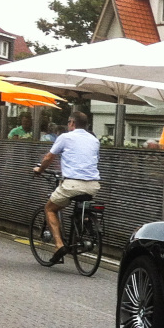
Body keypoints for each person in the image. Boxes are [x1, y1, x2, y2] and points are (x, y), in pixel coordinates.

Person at [33, 110, 101, 265]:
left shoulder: (65, 137)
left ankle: (59, 245)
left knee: (50, 208)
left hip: (72, 183)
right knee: (80, 202)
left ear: (71, 123)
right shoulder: (94, 140)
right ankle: (83, 223)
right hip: (93, 185)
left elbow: (49, 157)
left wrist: (40, 170)